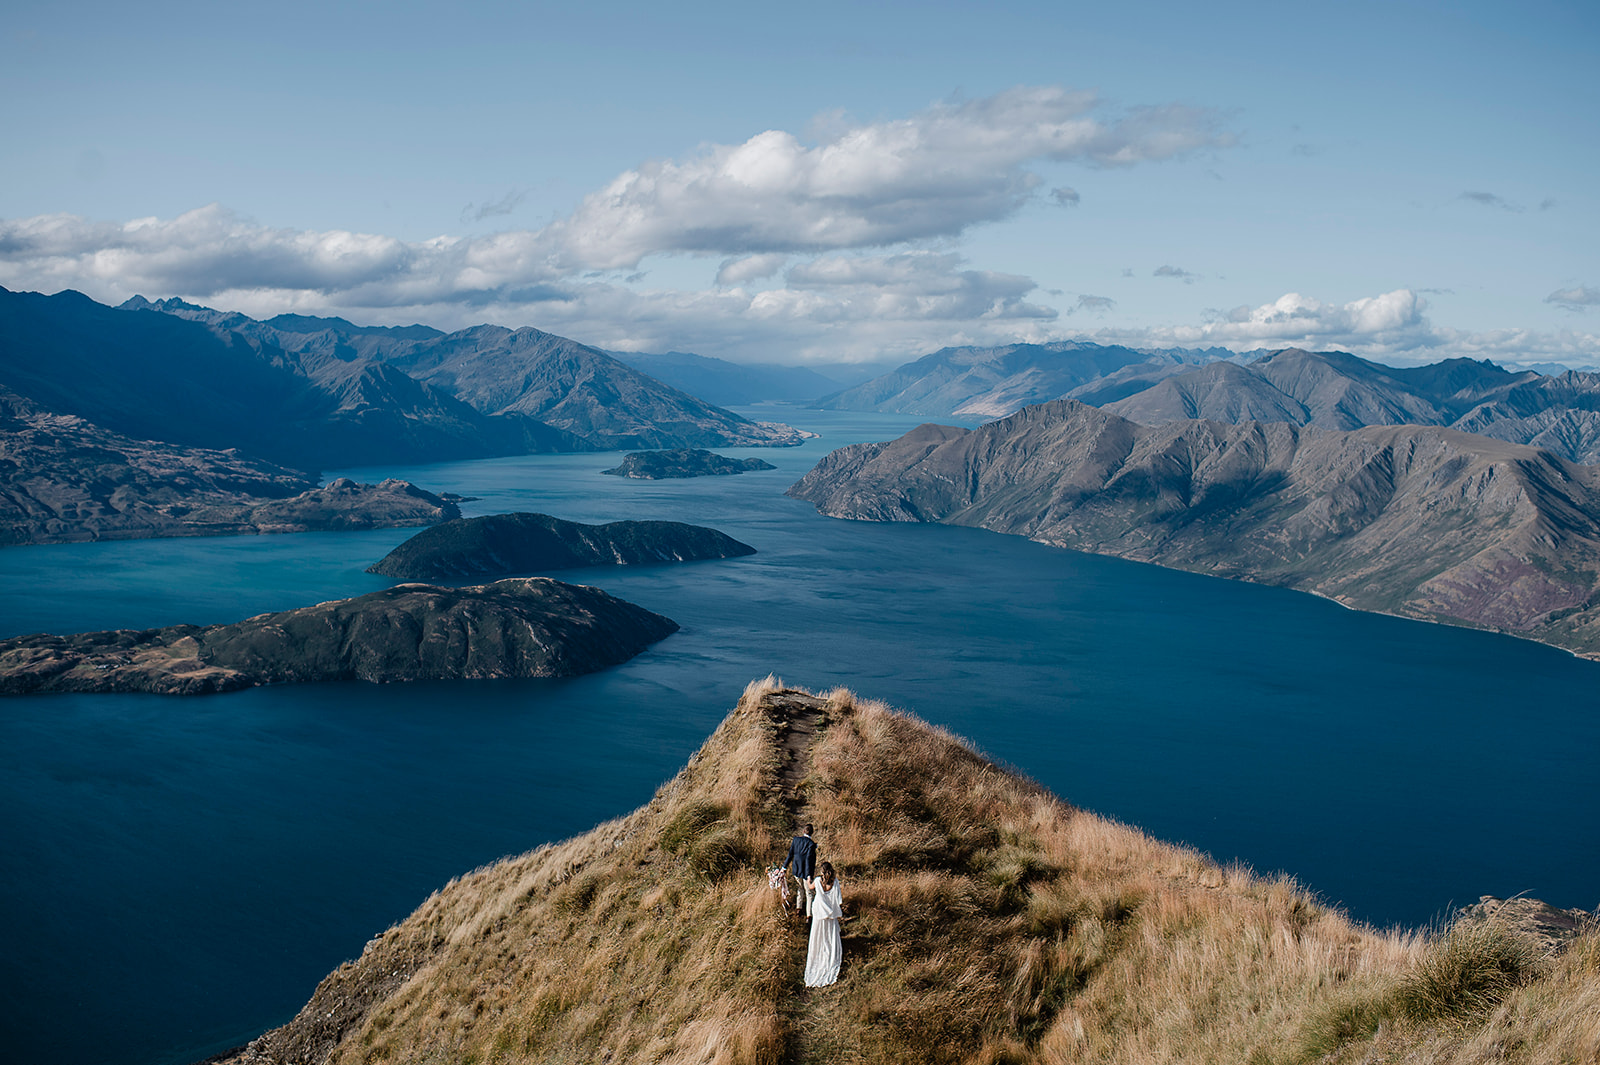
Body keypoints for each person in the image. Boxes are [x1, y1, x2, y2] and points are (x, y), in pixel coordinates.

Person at [803, 861, 843, 987]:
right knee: (830, 936)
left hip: (820, 913)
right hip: (830, 914)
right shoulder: (834, 882)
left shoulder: (818, 880)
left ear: (822, 872)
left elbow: (810, 887)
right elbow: (839, 900)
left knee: (818, 936)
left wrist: (808, 879)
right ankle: (829, 956)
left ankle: (819, 956)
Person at [783, 823, 817, 917]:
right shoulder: (811, 844)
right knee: (809, 893)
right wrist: (809, 874)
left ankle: (799, 909)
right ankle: (809, 916)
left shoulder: (796, 840)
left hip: (796, 869)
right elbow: (808, 861)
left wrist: (784, 867)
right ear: (812, 833)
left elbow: (790, 854)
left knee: (800, 889)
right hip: (806, 872)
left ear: (803, 831)